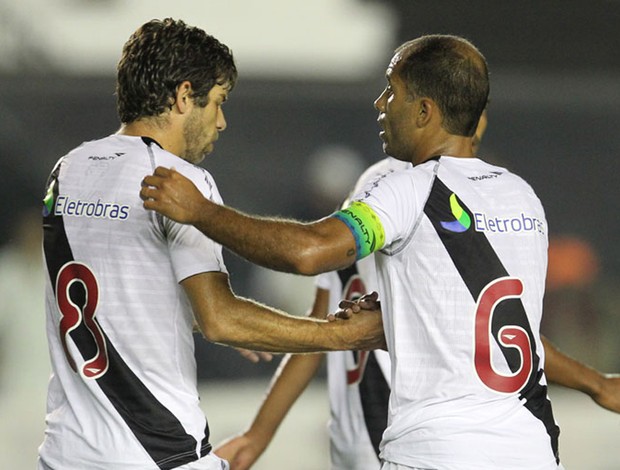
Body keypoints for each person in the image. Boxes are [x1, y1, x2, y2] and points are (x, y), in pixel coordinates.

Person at [142, 34, 570, 469]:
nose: (380, 104)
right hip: (529, 446)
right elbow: (496, 322)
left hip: (439, 450)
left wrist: (200, 211)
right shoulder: (522, 197)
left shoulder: (406, 187)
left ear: (425, 112)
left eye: (392, 91)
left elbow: (309, 253)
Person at [39, 18, 384, 470]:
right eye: (218, 103)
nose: (221, 122)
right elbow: (222, 319)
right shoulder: (179, 181)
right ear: (184, 97)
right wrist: (341, 335)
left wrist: (233, 322)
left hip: (66, 452)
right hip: (156, 450)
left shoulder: (68, 170)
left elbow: (121, 301)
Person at [212, 111, 620, 470]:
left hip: (373, 434)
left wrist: (259, 432)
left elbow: (497, 331)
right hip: (399, 431)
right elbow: (497, 333)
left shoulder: (378, 189)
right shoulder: (411, 195)